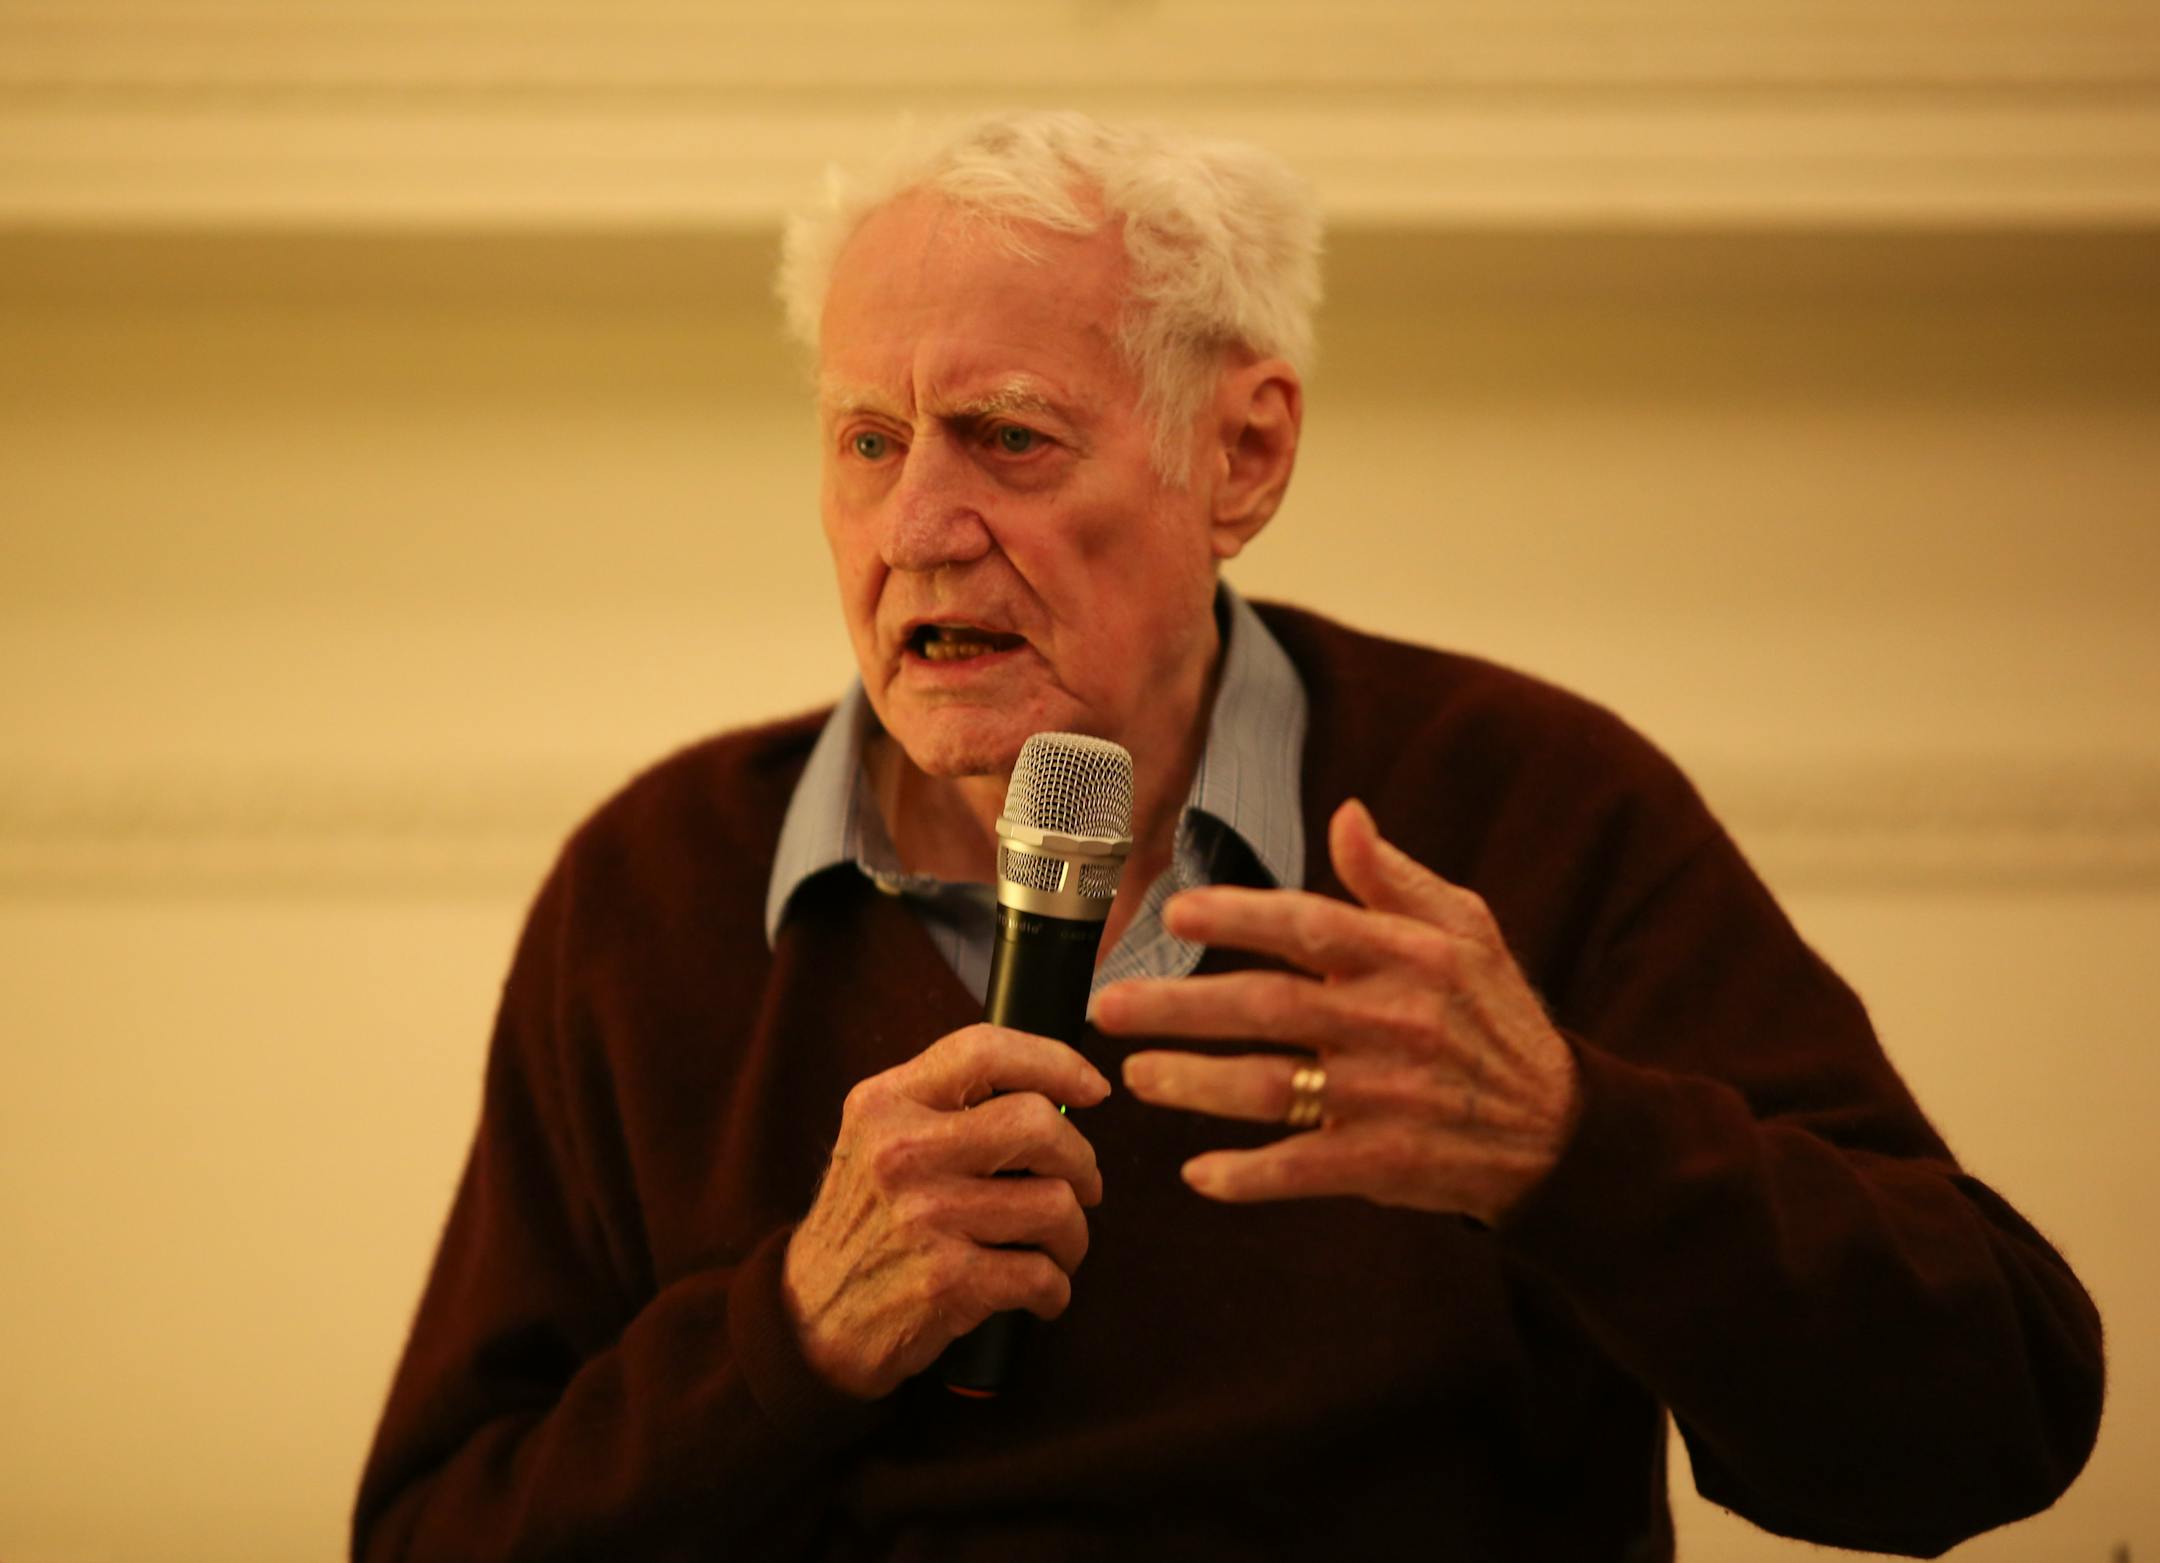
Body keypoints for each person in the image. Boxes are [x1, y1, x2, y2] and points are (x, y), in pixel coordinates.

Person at [353, 111, 2104, 1561]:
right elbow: (433, 1541)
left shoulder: (1520, 809)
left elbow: (2000, 1414)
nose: (917, 527)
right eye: (867, 442)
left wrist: (1571, 1146)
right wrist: (791, 1335)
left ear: (1243, 455)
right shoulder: (653, 890)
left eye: (1004, 440)